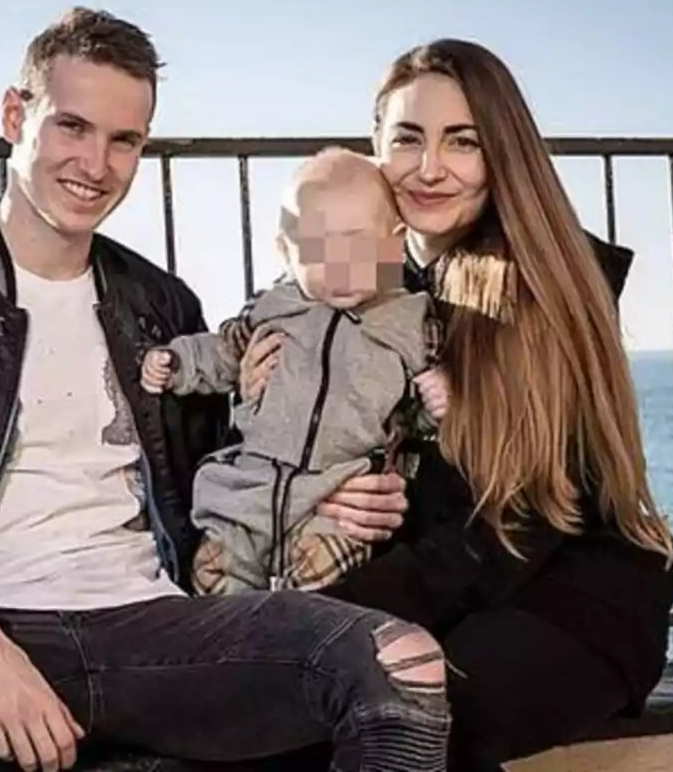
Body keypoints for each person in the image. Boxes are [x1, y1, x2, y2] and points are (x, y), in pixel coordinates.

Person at [0, 8, 453, 772]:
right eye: (72, 127)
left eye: (124, 140)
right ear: (16, 116)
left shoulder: (161, 305)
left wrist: (330, 495)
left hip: (155, 627)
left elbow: (234, 466)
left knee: (403, 663)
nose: (96, 164)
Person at [237, 39, 673, 770]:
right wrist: (258, 393)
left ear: (501, 153)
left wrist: (331, 609)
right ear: (375, 146)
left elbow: (519, 526)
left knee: (394, 714)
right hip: (452, 583)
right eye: (407, 139)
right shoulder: (365, 280)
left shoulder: (531, 293)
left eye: (463, 142)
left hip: (569, 597)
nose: (430, 167)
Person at [140, 146, 449, 595]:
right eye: (317, 248)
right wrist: (178, 362)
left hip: (337, 496)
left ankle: (301, 651)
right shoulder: (274, 308)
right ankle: (232, 654)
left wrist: (438, 404)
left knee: (322, 585)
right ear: (286, 250)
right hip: (252, 489)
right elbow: (226, 351)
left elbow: (413, 416)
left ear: (393, 241)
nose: (339, 265)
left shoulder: (410, 325)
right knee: (213, 572)